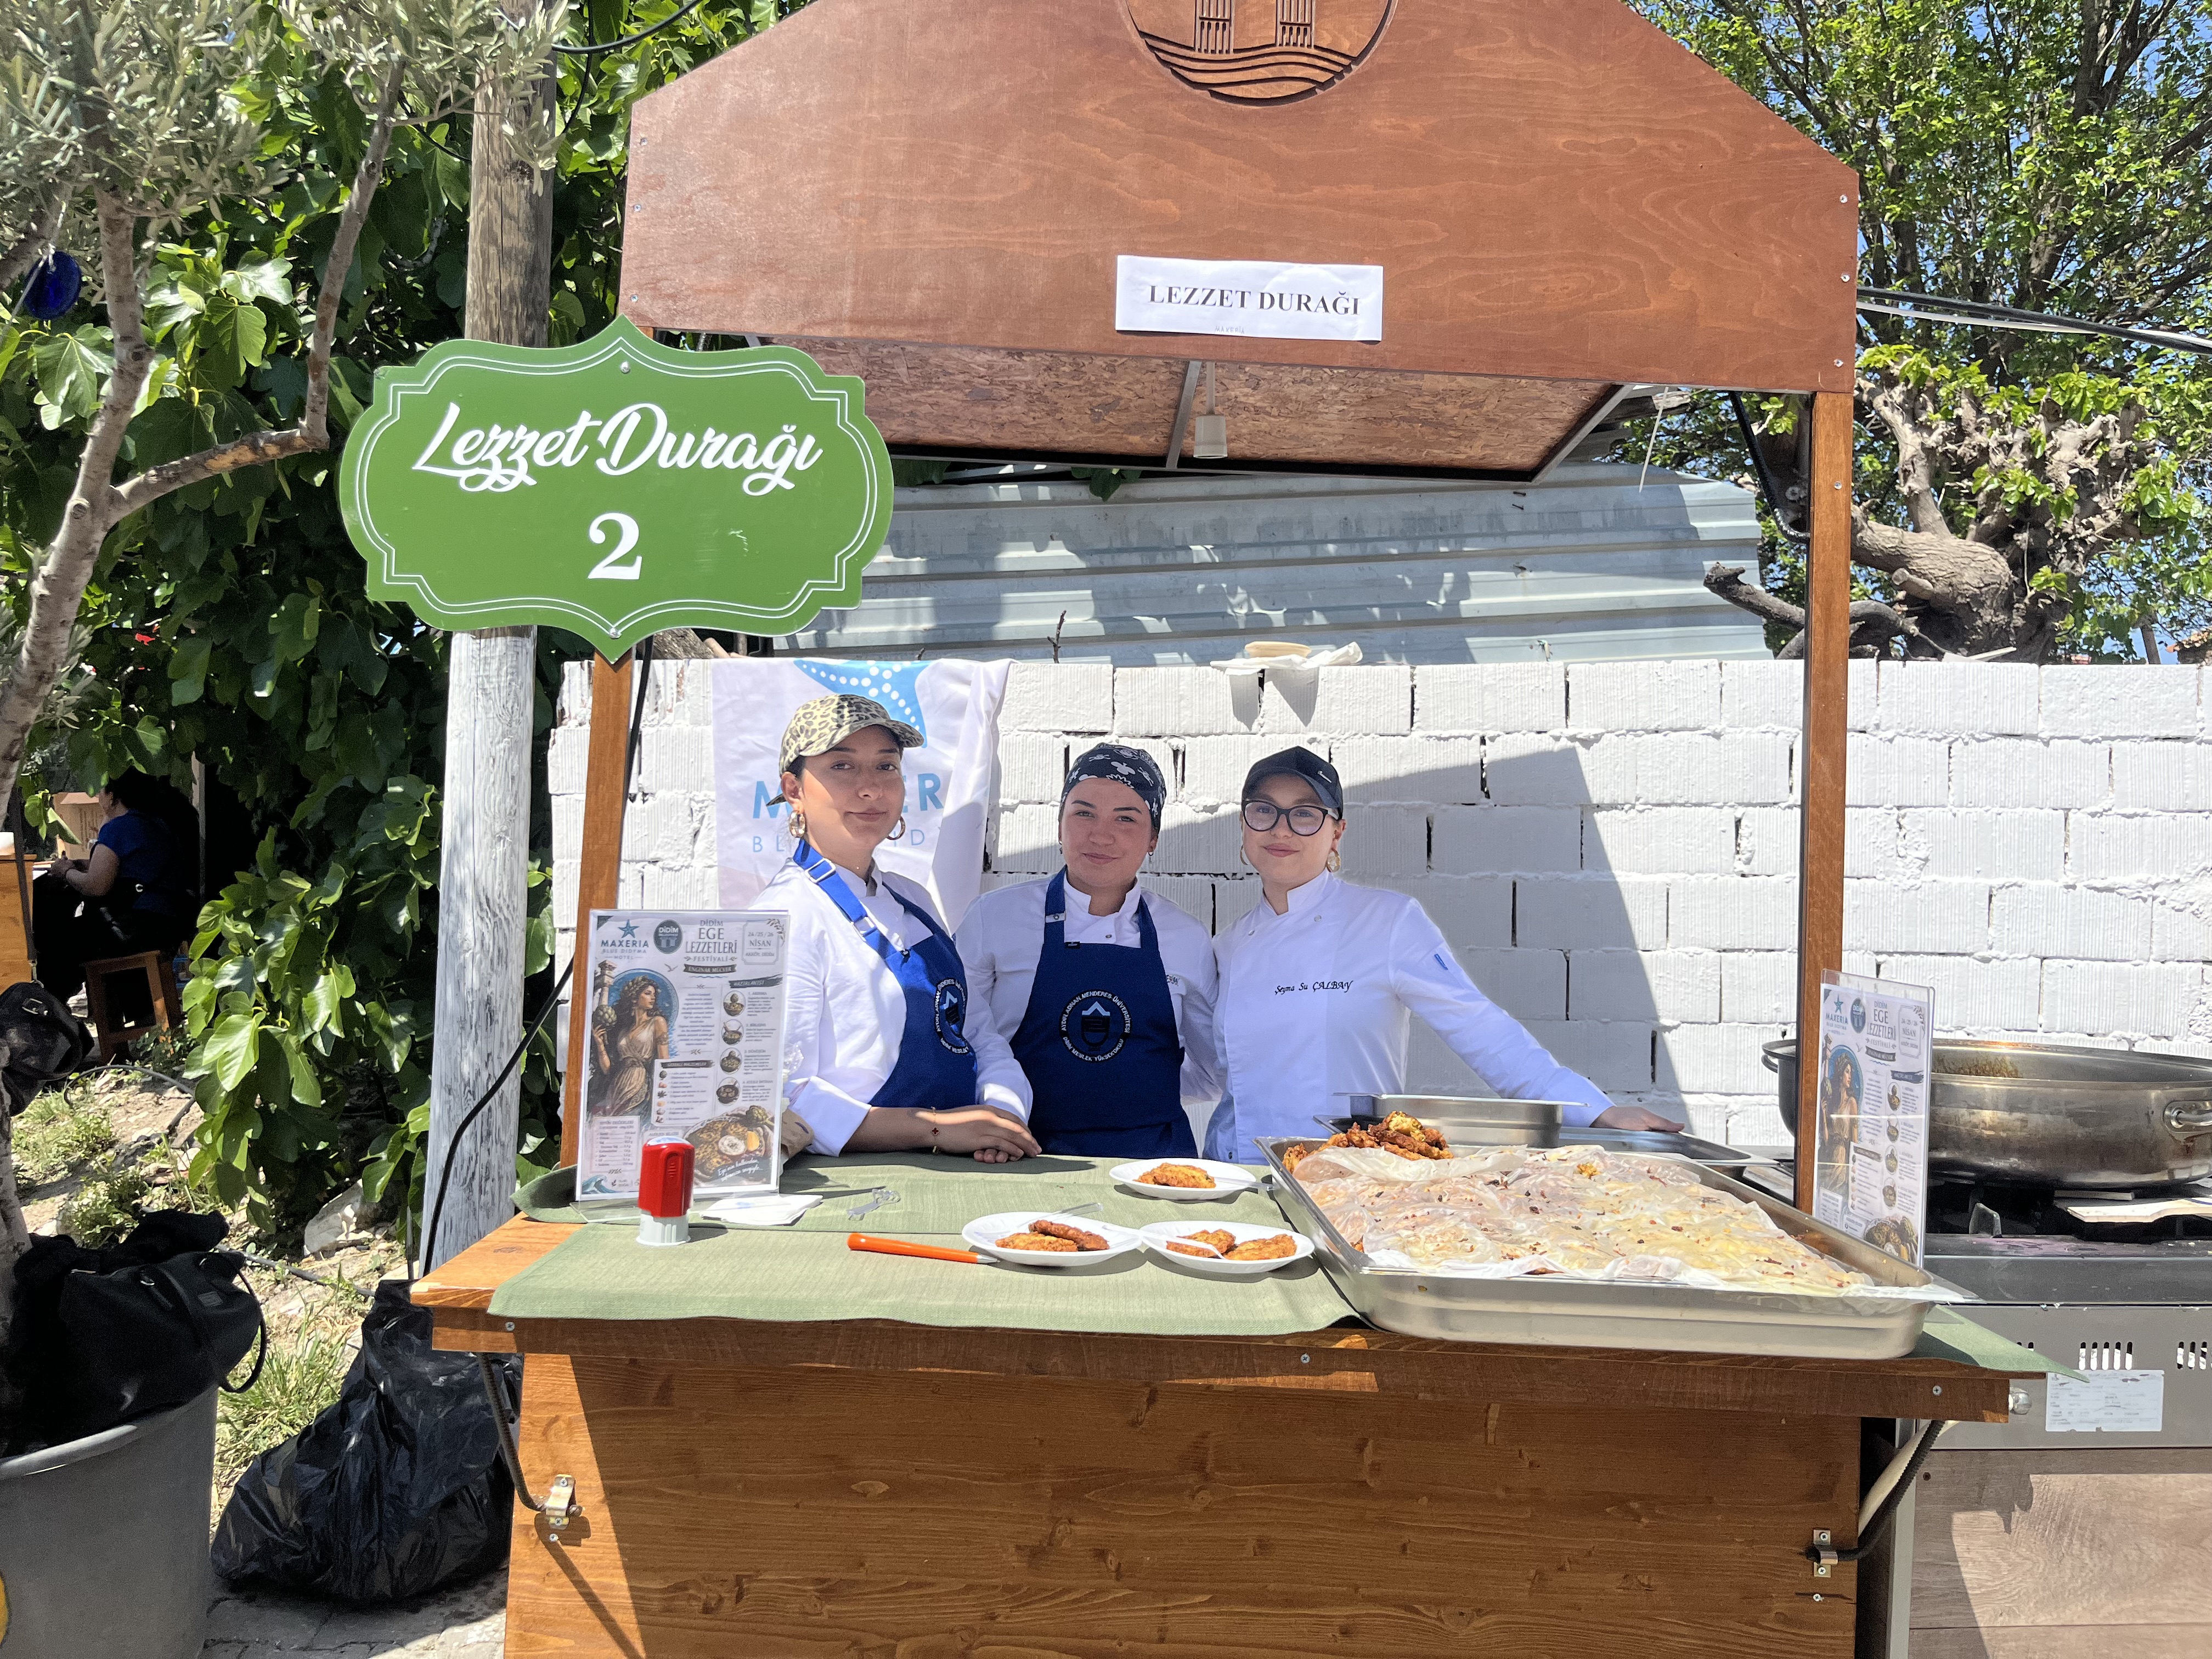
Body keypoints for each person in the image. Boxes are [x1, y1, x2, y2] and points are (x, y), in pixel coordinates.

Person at [1204, 745, 1685, 1161]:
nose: (1281, 829)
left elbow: (1478, 1025)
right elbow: (1207, 1070)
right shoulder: (1228, 946)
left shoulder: (1387, 921)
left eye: (1306, 813)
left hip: (1346, 1171)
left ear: (1337, 833)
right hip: (1235, 1169)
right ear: (1245, 826)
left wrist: (1596, 1111)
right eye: (1264, 810)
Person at [757, 693, 1040, 1162]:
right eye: (842, 767)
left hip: (962, 1162)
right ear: (794, 789)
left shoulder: (914, 899)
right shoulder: (784, 916)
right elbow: (783, 1093)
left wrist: (1001, 1116)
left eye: (886, 766)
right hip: (854, 1179)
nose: (871, 788)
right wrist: (935, 1129)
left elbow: (977, 1033)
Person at [957, 743, 1221, 1156]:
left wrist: (1136, 1096)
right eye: (1084, 813)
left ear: (1153, 838)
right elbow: (960, 1040)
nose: (1101, 835)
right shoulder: (994, 918)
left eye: (1126, 818)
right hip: (1021, 1153)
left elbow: (1211, 1069)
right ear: (1059, 826)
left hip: (1155, 1163)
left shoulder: (1185, 935)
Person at [33, 770, 196, 1005]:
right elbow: (128, 868)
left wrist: (66, 871)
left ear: (111, 796)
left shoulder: (119, 827)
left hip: (137, 928)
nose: (97, 796)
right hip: (168, 925)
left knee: (57, 944)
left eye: (101, 791)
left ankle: (53, 1012)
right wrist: (82, 865)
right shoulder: (153, 824)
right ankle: (137, 1013)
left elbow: (96, 886)